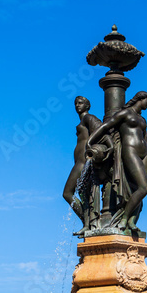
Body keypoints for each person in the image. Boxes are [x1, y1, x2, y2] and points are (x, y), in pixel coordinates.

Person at [86, 91, 147, 232]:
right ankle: (123, 219)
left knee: (138, 190)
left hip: (144, 154)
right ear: (140, 99)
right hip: (130, 151)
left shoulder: (142, 120)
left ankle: (131, 221)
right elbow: (105, 127)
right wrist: (90, 140)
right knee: (144, 187)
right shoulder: (124, 114)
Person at [63, 96, 103, 233]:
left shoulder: (88, 118)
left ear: (87, 105)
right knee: (84, 195)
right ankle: (88, 224)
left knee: (67, 193)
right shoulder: (82, 121)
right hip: (80, 161)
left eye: (80, 103)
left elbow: (101, 129)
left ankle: (87, 221)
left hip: (83, 162)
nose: (77, 106)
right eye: (75, 103)